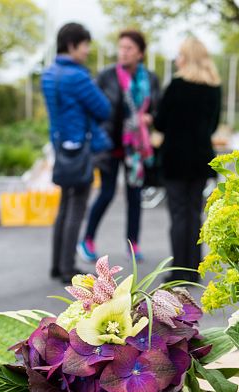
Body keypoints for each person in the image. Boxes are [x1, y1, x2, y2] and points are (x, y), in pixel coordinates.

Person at [78, 29, 161, 263]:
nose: (123, 52)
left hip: (135, 149)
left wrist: (149, 118)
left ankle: (133, 244)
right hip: (109, 146)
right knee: (106, 192)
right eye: (121, 47)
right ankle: (87, 240)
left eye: (129, 48)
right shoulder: (106, 76)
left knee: (135, 196)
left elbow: (157, 108)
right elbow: (94, 109)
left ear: (140, 53)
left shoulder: (150, 79)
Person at [41, 23, 111, 283]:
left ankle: (56, 265)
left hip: (61, 147)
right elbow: (103, 109)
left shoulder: (48, 75)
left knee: (64, 205)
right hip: (82, 149)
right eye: (84, 45)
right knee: (77, 207)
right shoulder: (78, 77)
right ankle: (68, 268)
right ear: (72, 45)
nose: (87, 51)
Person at [154, 37, 221, 283]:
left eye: (180, 54)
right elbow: (213, 125)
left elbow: (160, 122)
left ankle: (178, 270)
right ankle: (194, 269)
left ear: (188, 57)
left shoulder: (176, 86)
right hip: (201, 157)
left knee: (178, 214)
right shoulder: (214, 87)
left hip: (175, 158)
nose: (177, 59)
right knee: (194, 213)